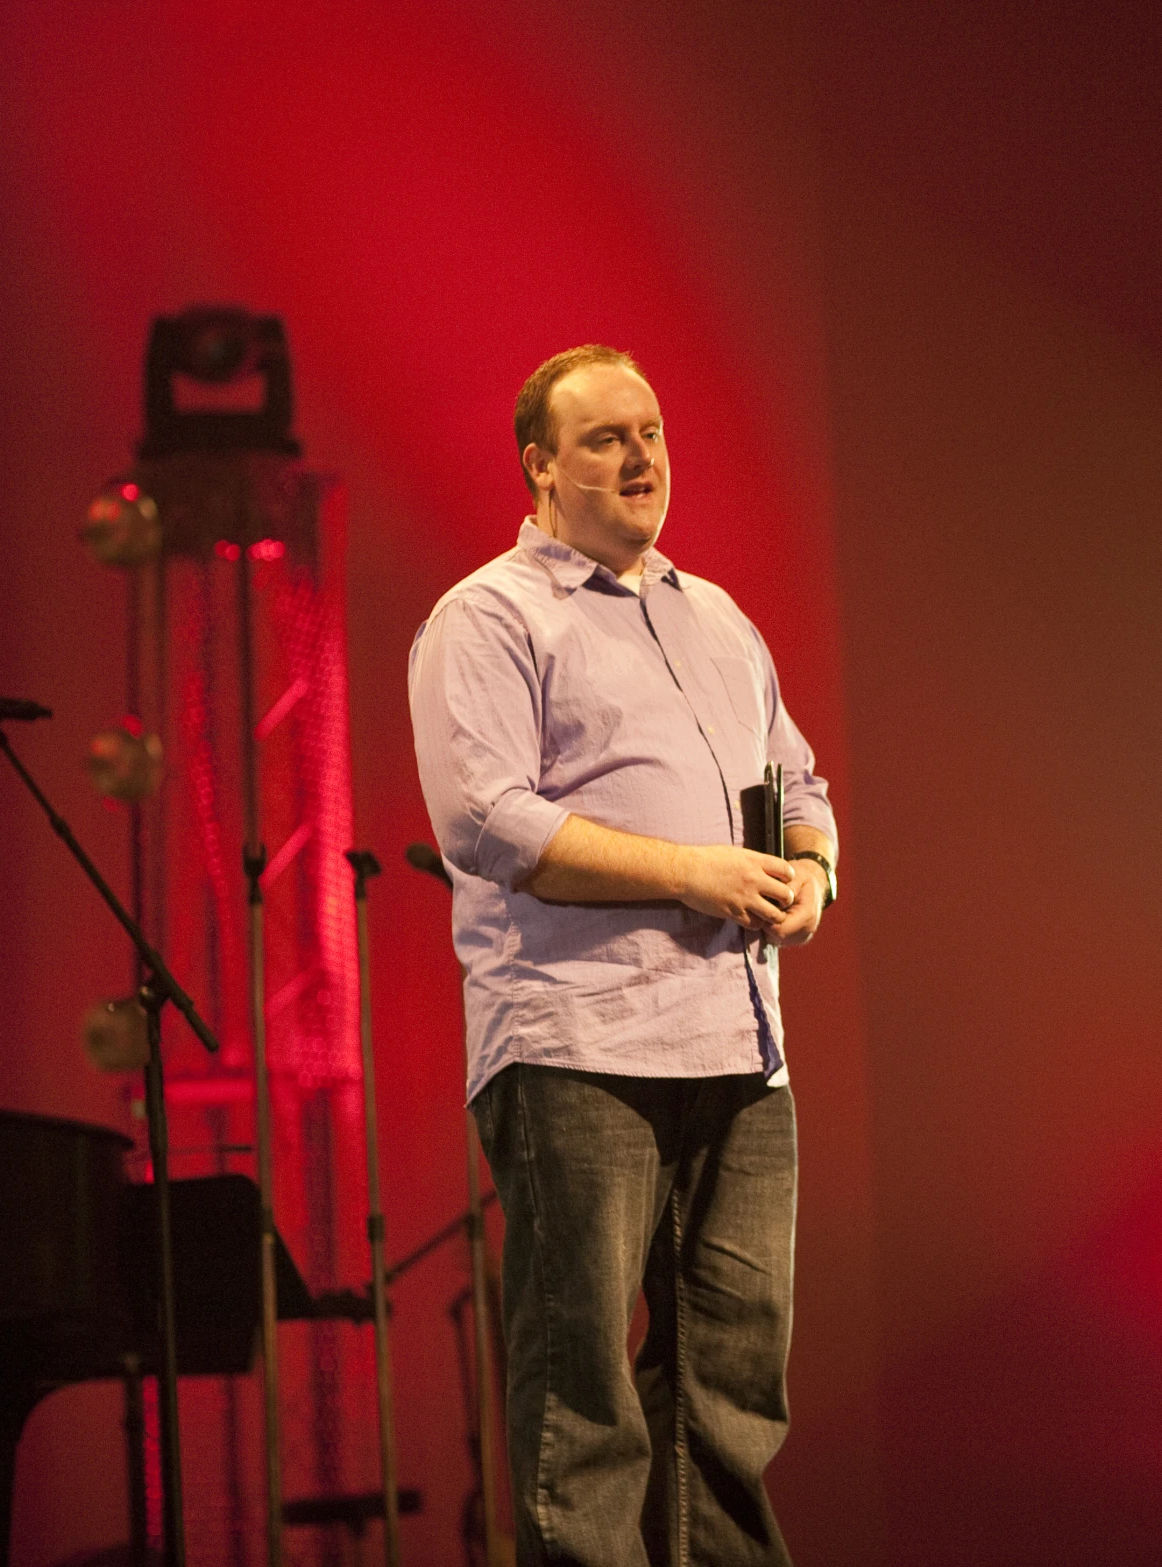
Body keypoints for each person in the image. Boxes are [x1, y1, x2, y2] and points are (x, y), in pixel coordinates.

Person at [408, 344, 837, 1566]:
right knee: (584, 1400)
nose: (641, 456)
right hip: (577, 1041)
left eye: (650, 432)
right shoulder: (489, 615)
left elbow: (797, 780)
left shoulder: (715, 616)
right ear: (540, 467)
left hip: (740, 1050)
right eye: (605, 438)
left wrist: (814, 871)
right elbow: (488, 822)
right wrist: (694, 870)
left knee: (731, 1394)